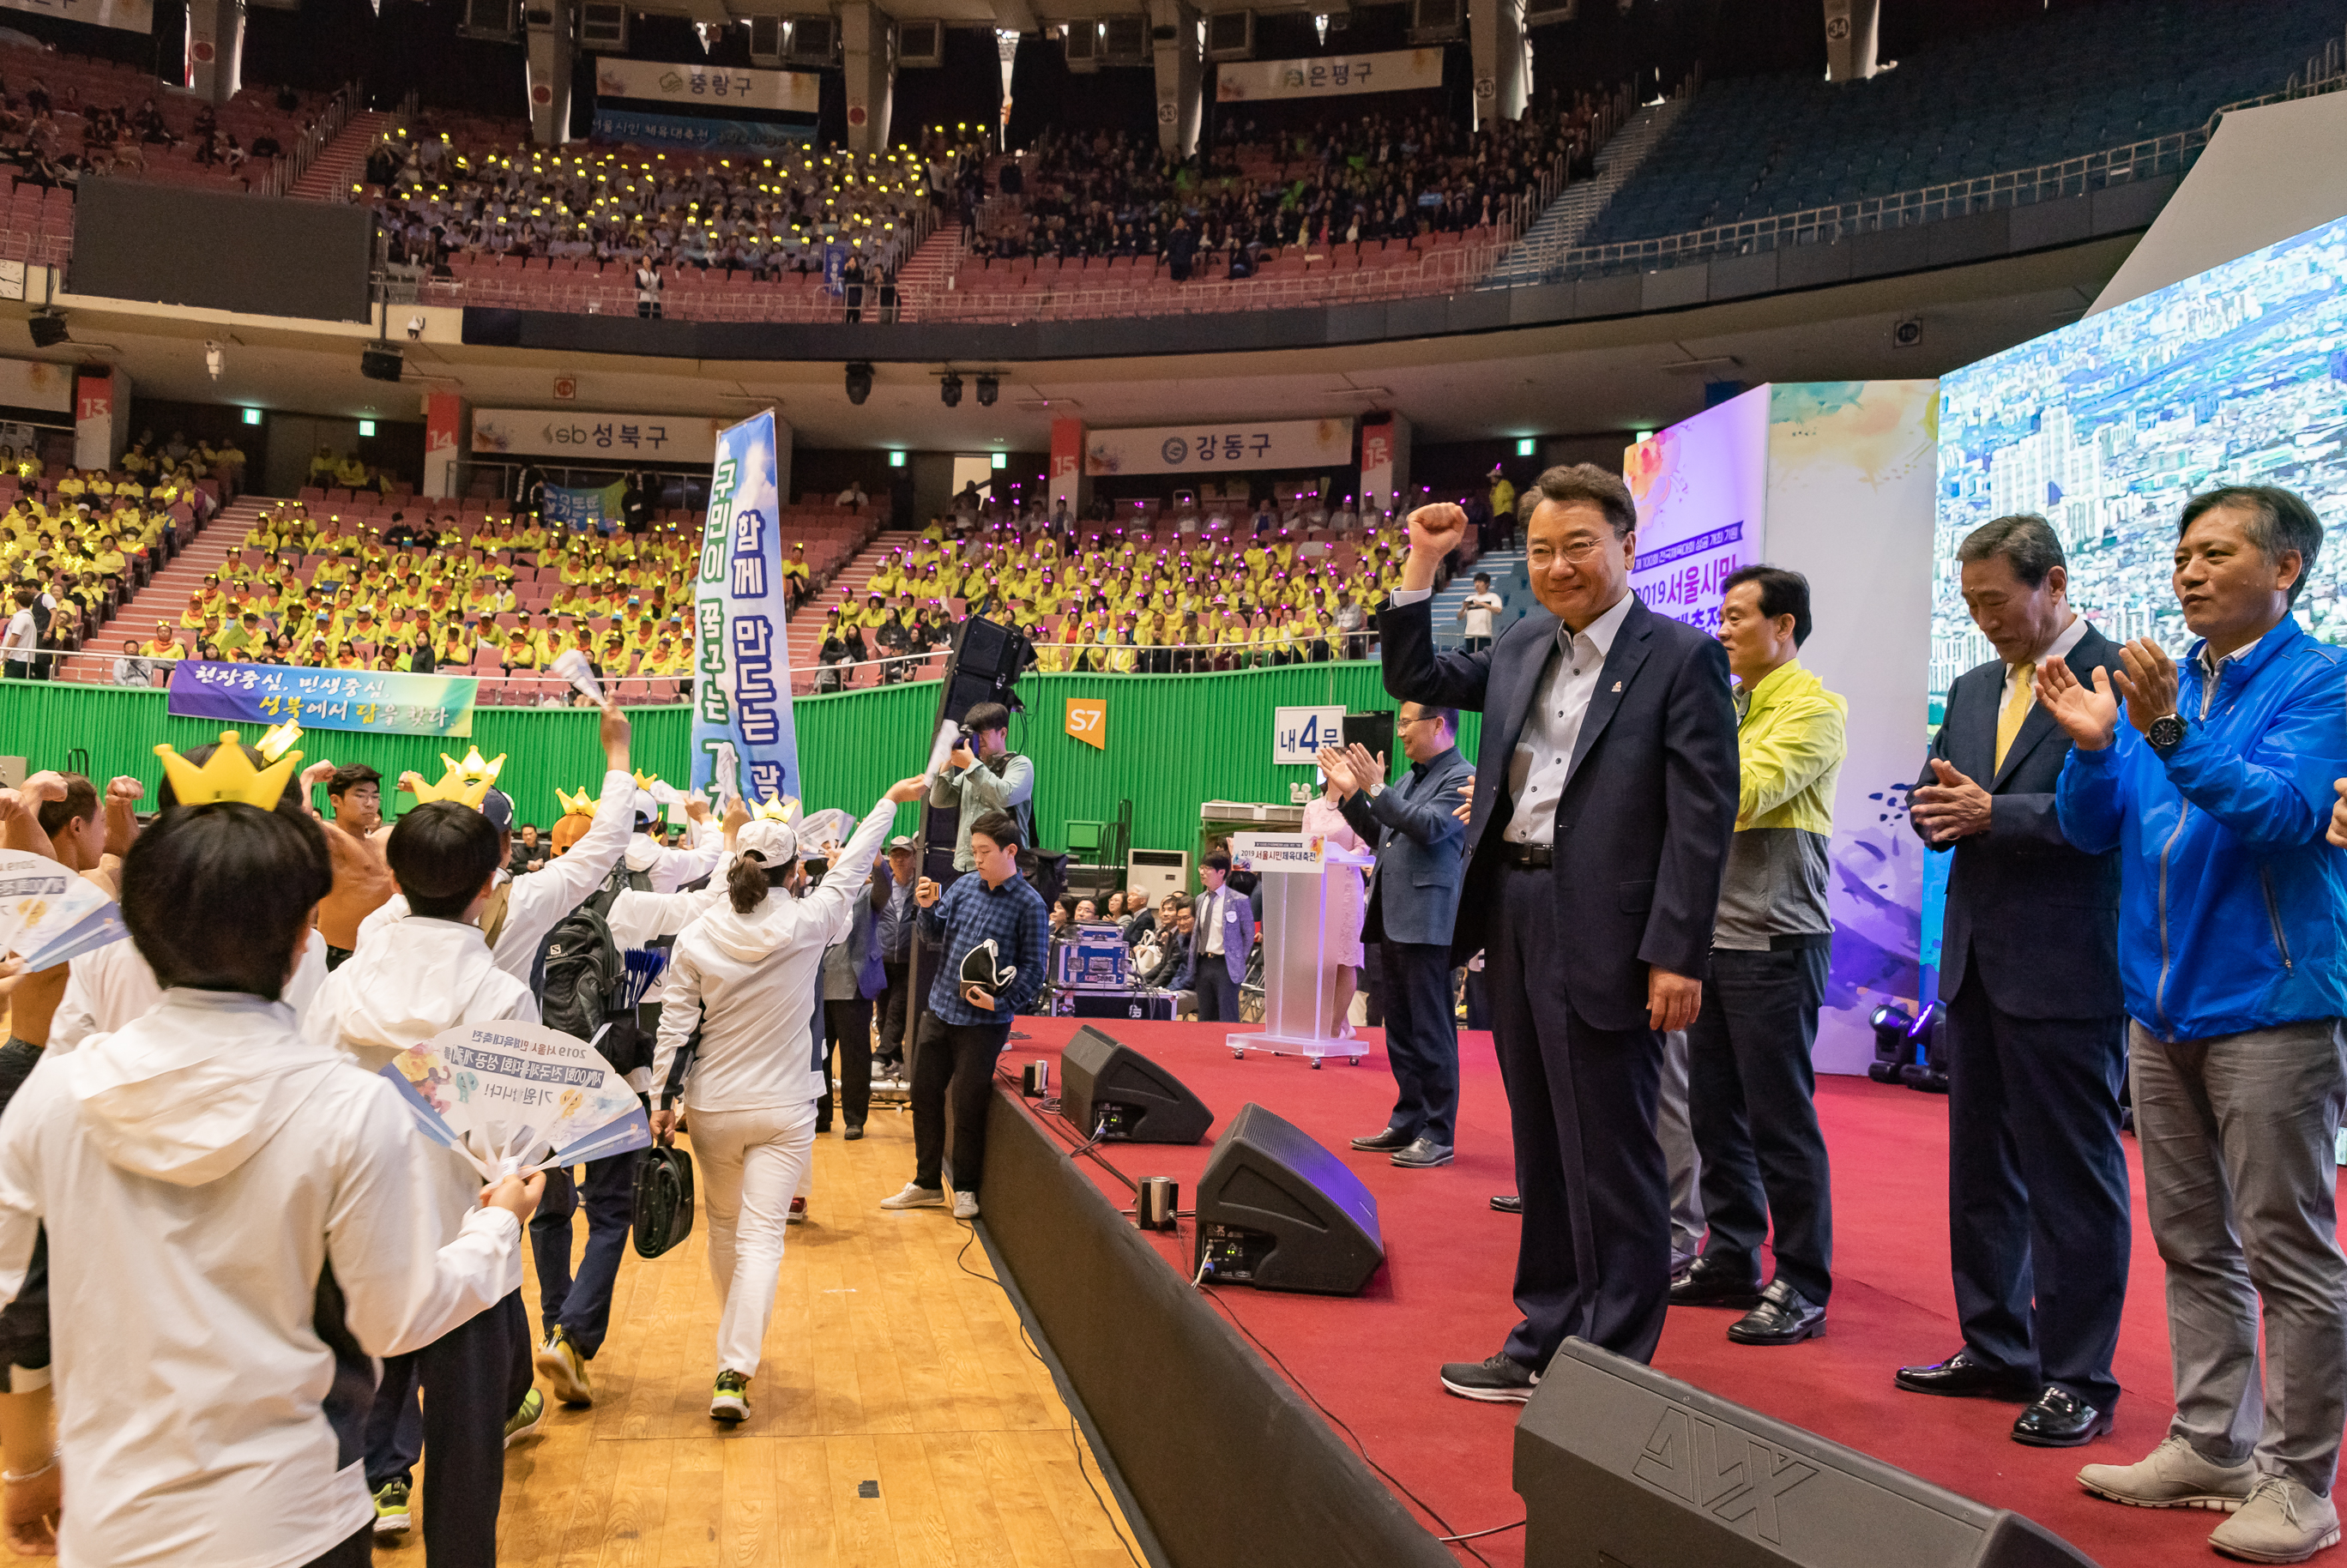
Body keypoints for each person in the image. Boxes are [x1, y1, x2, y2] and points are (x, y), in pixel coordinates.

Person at [0, 796, 541, 1568]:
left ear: (139, 924)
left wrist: (25, 1466)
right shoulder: (349, 1109)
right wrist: (496, 1226)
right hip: (296, 1517)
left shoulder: (50, 1101)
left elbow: (16, 1313)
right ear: (300, 942)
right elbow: (395, 1318)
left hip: (110, 1521)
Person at [1381, 465, 1737, 1402]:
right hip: (1516, 908)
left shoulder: (1681, 656)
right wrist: (1424, 560)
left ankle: (1612, 1361)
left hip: (1615, 931)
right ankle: (1541, 1334)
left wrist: (1676, 951)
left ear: (1627, 545)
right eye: (1541, 549)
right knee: (1542, 1142)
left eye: (1579, 544)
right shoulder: (1523, 643)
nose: (1558, 565)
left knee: (1612, 1150)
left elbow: (1701, 821)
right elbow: (1414, 672)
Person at [2042, 486, 2347, 1562]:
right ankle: (2213, 1443)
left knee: (2289, 1251)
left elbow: (2284, 814)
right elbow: (2094, 833)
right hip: (2157, 1006)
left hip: (2272, 1005)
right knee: (2192, 1244)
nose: (2188, 573)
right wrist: (2091, 748)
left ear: (2287, 568)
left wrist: (2165, 729)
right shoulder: (2161, 687)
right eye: (2181, 556)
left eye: (2216, 554)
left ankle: (2303, 1483)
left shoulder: (2324, 681)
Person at [1895, 514, 2133, 1449]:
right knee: (1981, 1171)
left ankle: (2079, 1374)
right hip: (1977, 963)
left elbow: (2115, 818)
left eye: (1996, 600)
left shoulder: (2116, 674)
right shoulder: (1970, 682)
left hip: (2070, 963)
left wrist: (1999, 813)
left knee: (2072, 1179)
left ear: (2054, 584)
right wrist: (1935, 810)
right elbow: (1939, 788)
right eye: (1970, 602)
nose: (1983, 617)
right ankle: (1998, 1346)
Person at [305, 799, 547, 1555]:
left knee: (348, 1435)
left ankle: (376, 1503)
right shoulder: (500, 995)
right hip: (466, 1243)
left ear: (397, 881)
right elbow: (513, 1141)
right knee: (467, 1459)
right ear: (488, 883)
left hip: (352, 1242)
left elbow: (311, 1105)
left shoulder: (340, 988)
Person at [652, 774, 921, 1423]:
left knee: (724, 1227)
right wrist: (885, 801)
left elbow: (674, 1025)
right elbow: (853, 868)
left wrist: (660, 1099)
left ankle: (732, 1346)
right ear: (794, 870)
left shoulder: (697, 935)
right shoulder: (808, 923)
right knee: (763, 1239)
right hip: (784, 1109)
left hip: (711, 1107)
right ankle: (734, 1368)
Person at [1670, 566, 1845, 1348]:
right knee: (1715, 1114)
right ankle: (1731, 1253)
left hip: (1776, 938)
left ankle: (1803, 1278)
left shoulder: (1813, 708)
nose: (1724, 628)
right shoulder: (1727, 706)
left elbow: (1738, 796)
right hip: (1712, 939)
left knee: (1780, 1120)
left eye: (1739, 616)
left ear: (1785, 627)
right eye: (1722, 615)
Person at [1321, 707, 1473, 1168]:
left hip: (1427, 919)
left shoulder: (1461, 777)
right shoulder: (1407, 781)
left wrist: (1374, 787)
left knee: (1431, 1029)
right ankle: (1409, 1118)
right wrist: (1353, 797)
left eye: (1408, 722)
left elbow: (1428, 829)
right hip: (1392, 916)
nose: (1400, 731)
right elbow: (1380, 833)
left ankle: (1438, 1131)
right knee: (1400, 1030)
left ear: (1439, 724)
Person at [881, 810, 1048, 1221]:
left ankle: (967, 1187)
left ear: (1010, 851)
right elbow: (934, 936)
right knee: (923, 1094)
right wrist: (927, 909)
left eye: (984, 851)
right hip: (940, 1010)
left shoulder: (1030, 905)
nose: (976, 858)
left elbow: (1035, 969)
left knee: (968, 1102)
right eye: (973, 850)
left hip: (985, 1024)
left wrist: (1001, 1004)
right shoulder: (963, 887)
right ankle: (925, 1184)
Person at [818, 822, 888, 1139]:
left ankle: (855, 1118)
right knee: (817, 1054)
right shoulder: (818, 896)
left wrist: (877, 860)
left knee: (856, 1056)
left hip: (853, 988)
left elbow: (886, 887)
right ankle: (819, 1115)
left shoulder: (866, 894)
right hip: (817, 987)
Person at [926, 703, 1034, 870]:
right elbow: (939, 800)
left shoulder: (1020, 764)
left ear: (1003, 733)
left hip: (1003, 868)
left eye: (983, 733)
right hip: (966, 865)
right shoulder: (975, 769)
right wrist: (947, 763)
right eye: (974, 734)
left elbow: (1005, 796)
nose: (978, 740)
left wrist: (971, 764)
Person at [1187, 850, 1253, 1023]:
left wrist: (1238, 958)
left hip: (1225, 965)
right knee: (1205, 1015)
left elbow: (1248, 934)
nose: (1201, 872)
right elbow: (1197, 933)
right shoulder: (1200, 899)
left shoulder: (1239, 900)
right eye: (1201, 867)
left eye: (1207, 868)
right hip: (1203, 963)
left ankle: (1231, 1049)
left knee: (1227, 1014)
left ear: (1221, 872)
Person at [873, 835, 919, 1083]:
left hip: (908, 962)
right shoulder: (881, 886)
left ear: (914, 858)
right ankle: (896, 1060)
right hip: (883, 959)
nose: (900, 859)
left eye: (905, 854)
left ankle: (880, 1057)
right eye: (896, 855)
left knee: (896, 1011)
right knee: (882, 1014)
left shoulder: (921, 887)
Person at [1458, 572, 1503, 653]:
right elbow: (1460, 617)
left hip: (1484, 634)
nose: (1477, 584)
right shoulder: (1470, 598)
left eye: (1480, 582)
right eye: (1476, 582)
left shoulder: (1493, 597)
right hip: (1469, 634)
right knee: (1470, 658)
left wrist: (1482, 604)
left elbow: (1498, 610)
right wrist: (1463, 608)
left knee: (1483, 658)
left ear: (1487, 584)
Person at [2, 588, 35, 681]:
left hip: (16, 659)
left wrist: (6, 653)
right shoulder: (28, 617)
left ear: (17, 602)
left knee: (11, 685)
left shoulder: (22, 617)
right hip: (23, 659)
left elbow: (16, 636)